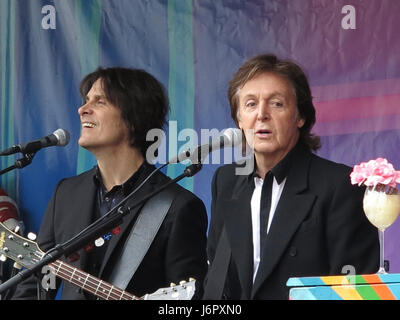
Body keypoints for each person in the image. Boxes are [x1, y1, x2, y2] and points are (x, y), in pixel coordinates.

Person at [11, 67, 208, 300]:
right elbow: (36, 286)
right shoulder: (66, 193)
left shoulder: (177, 207)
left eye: (100, 101)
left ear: (134, 118)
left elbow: (189, 298)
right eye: (86, 100)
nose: (82, 109)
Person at [203, 54, 379, 300]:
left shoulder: (340, 185)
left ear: (300, 116)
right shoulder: (226, 181)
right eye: (250, 104)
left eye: (276, 103)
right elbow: (216, 281)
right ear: (239, 119)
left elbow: (353, 291)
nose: (262, 114)